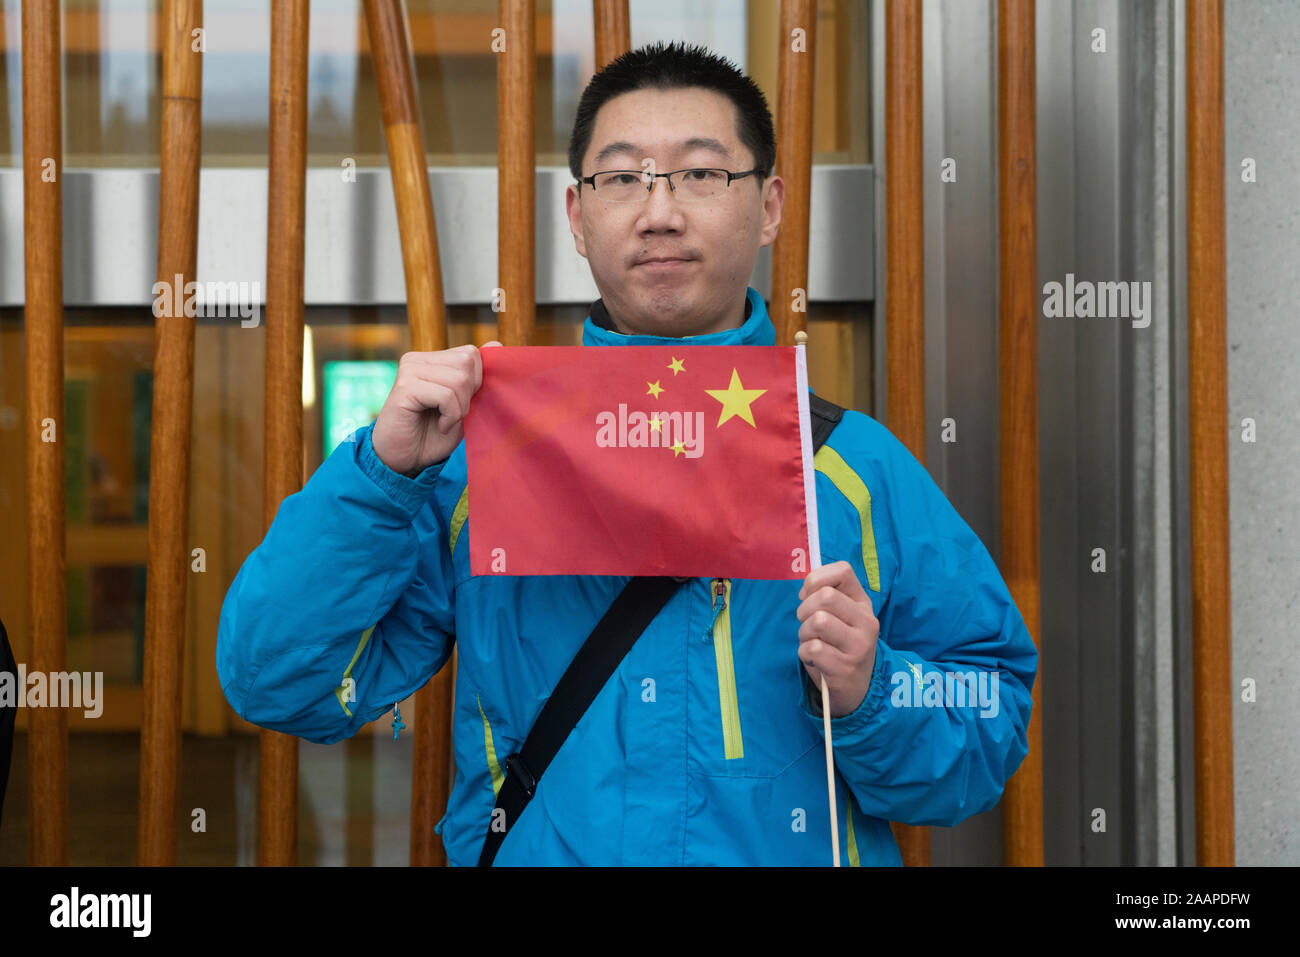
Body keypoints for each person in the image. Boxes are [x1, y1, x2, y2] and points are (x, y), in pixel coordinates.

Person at [217, 40, 1036, 866]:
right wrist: (382, 480)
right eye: (622, 178)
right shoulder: (480, 469)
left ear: (771, 205)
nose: (660, 212)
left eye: (702, 174)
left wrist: (873, 691)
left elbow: (991, 714)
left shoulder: (855, 470)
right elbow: (278, 681)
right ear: (577, 217)